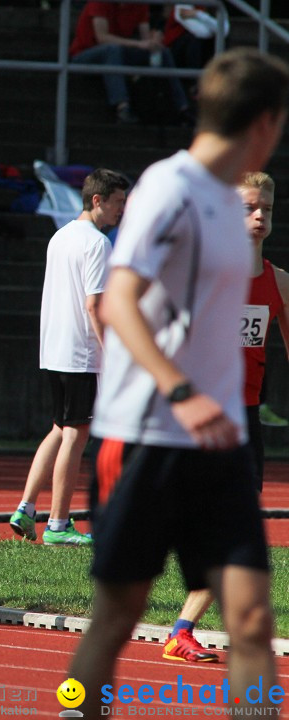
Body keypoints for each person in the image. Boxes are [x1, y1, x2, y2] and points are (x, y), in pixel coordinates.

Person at [67, 48, 289, 715]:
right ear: (266, 124)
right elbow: (121, 301)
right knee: (116, 618)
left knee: (251, 621)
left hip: (217, 448)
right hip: (144, 438)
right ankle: (77, 707)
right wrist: (183, 392)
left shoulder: (233, 207)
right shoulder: (170, 188)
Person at [161, 170, 289, 664]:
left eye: (267, 210)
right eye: (248, 208)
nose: (259, 217)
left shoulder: (278, 282)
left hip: (246, 418)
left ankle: (182, 629)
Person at [8, 169, 129, 547]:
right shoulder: (97, 243)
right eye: (118, 202)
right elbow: (95, 305)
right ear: (98, 200)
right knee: (76, 436)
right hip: (81, 353)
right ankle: (58, 523)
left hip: (55, 349)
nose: (122, 211)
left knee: (60, 429)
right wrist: (111, 356)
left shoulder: (60, 237)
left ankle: (27, 507)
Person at [69, 1, 192, 124]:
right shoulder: (100, 2)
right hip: (84, 54)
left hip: (118, 53)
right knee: (112, 49)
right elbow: (102, 38)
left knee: (163, 52)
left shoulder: (140, 4)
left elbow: (145, 39)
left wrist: (154, 41)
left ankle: (182, 107)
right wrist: (139, 44)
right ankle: (122, 107)